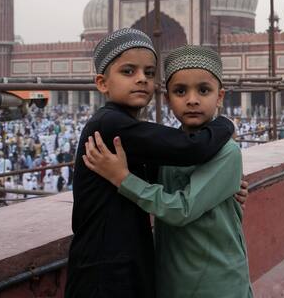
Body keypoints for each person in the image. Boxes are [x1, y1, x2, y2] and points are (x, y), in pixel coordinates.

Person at [66, 28, 237, 298]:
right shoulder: (110, 124)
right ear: (102, 83)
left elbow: (172, 177)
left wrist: (225, 185)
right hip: (104, 270)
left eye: (148, 73)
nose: (141, 80)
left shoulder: (129, 127)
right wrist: (225, 123)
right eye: (128, 71)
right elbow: (190, 148)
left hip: (125, 259)